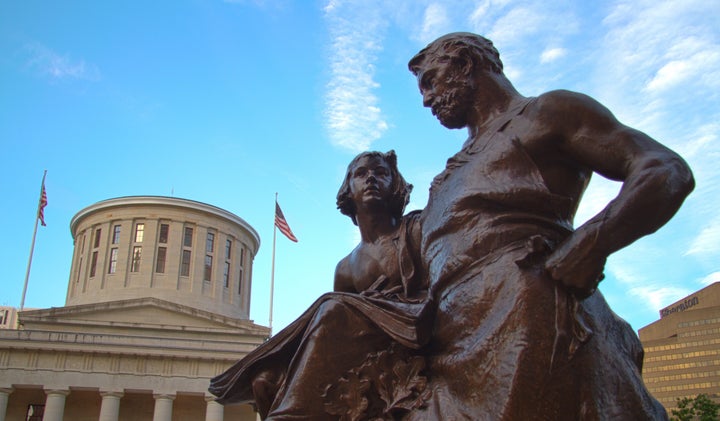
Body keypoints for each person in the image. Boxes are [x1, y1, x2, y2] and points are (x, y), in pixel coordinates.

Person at [404, 33, 695, 420]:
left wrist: (594, 241)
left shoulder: (545, 114)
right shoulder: (446, 175)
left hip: (527, 322)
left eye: (430, 80)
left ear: (466, 64)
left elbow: (663, 170)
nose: (426, 99)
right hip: (447, 340)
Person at [209, 151, 432, 420]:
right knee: (265, 379)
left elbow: (442, 288)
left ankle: (291, 414)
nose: (371, 177)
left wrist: (382, 304)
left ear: (395, 185)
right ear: (348, 190)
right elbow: (341, 341)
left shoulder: (417, 230)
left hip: (410, 331)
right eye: (361, 173)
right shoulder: (346, 267)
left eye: (381, 172)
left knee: (332, 307)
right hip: (371, 348)